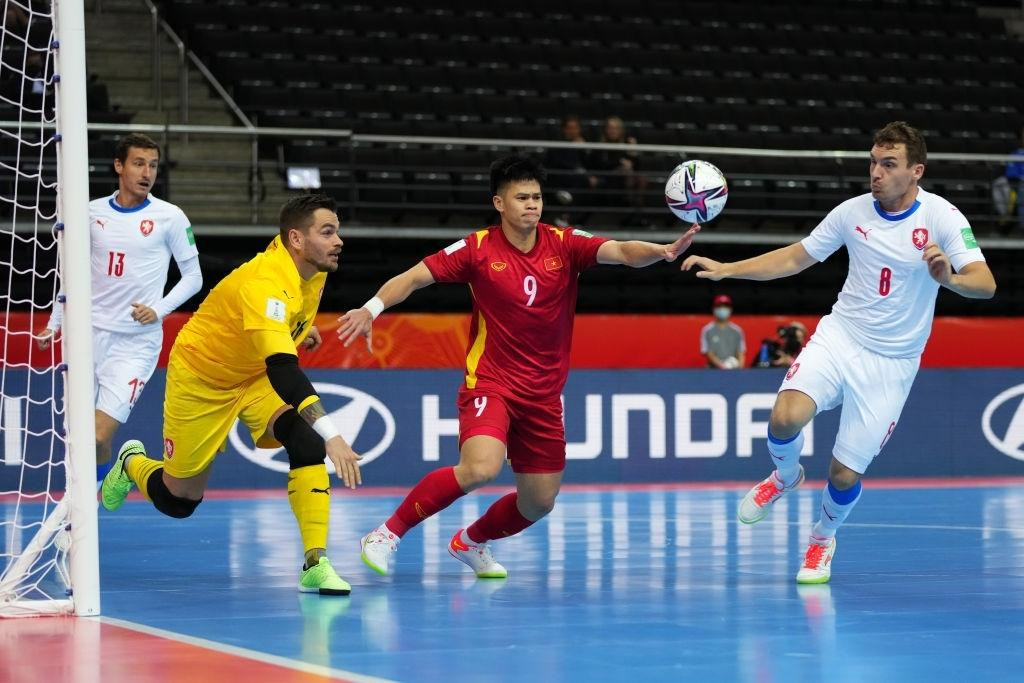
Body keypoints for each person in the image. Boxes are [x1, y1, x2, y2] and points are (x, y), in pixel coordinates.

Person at [339, 155, 700, 578]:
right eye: (522, 197)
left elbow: (620, 251)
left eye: (537, 197)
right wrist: (372, 307)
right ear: (499, 203)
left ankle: (471, 542)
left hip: (544, 394)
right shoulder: (476, 249)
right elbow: (415, 277)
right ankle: (386, 534)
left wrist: (659, 252)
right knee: (480, 468)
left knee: (538, 502)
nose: (533, 204)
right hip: (491, 382)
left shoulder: (564, 244)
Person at [682, 121, 996, 584]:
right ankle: (786, 475)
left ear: (916, 172)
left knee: (844, 474)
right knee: (785, 416)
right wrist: (728, 269)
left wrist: (948, 277)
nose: (876, 172)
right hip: (841, 336)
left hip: (892, 364)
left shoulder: (944, 219)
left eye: (889, 164)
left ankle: (822, 538)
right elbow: (795, 257)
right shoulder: (851, 213)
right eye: (873, 161)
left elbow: (985, 285)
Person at [100, 193, 361, 596]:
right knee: (179, 501)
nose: (338, 240)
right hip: (203, 376)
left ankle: (315, 561)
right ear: (296, 238)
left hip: (252, 376)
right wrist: (335, 435)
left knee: (305, 439)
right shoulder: (265, 281)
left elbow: (276, 321)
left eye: (337, 231)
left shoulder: (313, 268)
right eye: (327, 232)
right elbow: (285, 370)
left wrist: (295, 329)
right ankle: (131, 462)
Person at [36, 133, 202, 481]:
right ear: (118, 166)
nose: (147, 172)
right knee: (82, 438)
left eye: (153, 165)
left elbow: (193, 278)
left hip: (135, 341)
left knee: (97, 433)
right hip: (86, 336)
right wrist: (55, 324)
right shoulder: (91, 212)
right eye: (139, 163)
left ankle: (87, 515)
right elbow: (73, 276)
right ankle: (93, 493)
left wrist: (158, 309)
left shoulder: (170, 217)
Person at [589, 116, 648, 224]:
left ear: (621, 130)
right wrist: (620, 163)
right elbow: (599, 165)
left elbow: (638, 166)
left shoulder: (626, 144)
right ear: (606, 130)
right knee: (626, 172)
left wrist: (633, 152)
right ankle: (632, 210)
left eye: (616, 128)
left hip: (626, 179)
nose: (613, 131)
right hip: (607, 177)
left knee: (641, 179)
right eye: (610, 128)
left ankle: (636, 213)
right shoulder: (599, 145)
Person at [544, 115, 599, 226]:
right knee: (582, 182)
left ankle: (570, 217)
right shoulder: (557, 144)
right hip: (562, 177)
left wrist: (584, 149)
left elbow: (591, 164)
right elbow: (556, 164)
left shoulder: (585, 143)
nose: (572, 131)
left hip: (580, 179)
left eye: (575, 128)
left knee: (593, 187)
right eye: (569, 128)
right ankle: (569, 216)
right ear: (564, 129)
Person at [701, 294, 745, 369]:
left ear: (730, 309)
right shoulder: (707, 330)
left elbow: (740, 352)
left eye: (725, 306)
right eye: (719, 306)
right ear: (714, 309)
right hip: (713, 370)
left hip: (733, 369)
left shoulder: (737, 331)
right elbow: (709, 353)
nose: (722, 309)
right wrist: (723, 366)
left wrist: (740, 368)